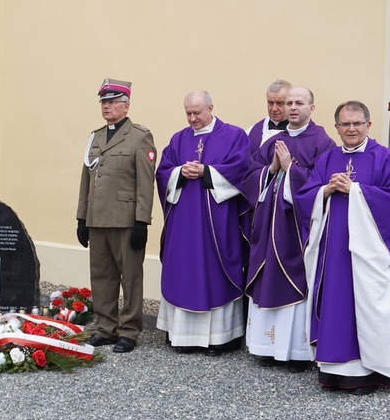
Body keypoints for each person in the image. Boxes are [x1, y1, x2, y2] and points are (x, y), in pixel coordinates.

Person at [296, 100, 390, 395]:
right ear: (336, 127)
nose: (351, 129)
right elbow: (304, 195)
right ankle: (334, 372)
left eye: (357, 123)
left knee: (367, 306)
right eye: (345, 124)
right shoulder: (327, 159)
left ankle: (365, 374)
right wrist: (326, 189)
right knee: (335, 304)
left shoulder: (387, 159)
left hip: (368, 255)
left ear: (368, 125)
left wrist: (356, 190)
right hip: (334, 252)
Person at [243, 86, 335, 371]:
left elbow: (322, 186)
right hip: (269, 227)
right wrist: (271, 169)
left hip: (296, 229)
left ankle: (295, 351)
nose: (292, 108)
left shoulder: (323, 143)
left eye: (299, 103)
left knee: (296, 282)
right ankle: (266, 346)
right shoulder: (275, 140)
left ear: (311, 107)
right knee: (267, 277)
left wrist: (291, 168)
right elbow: (249, 176)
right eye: (289, 103)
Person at [156, 90, 250, 356]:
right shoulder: (178, 139)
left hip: (217, 224)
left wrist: (207, 171)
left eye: (197, 112)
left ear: (211, 107)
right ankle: (183, 337)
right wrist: (179, 173)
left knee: (215, 272)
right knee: (184, 270)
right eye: (188, 113)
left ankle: (219, 339)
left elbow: (241, 169)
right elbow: (163, 172)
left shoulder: (234, 135)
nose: (192, 118)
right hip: (183, 223)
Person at [76, 78, 157, 354]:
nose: (106, 107)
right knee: (102, 276)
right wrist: (81, 218)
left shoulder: (139, 136)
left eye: (111, 102)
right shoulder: (96, 137)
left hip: (125, 220)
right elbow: (86, 180)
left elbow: (146, 182)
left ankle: (129, 330)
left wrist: (141, 221)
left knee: (130, 277)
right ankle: (105, 327)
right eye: (103, 102)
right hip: (97, 219)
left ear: (126, 105)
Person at [246, 79, 292, 155]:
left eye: (280, 103)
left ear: (290, 103)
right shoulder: (251, 132)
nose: (274, 109)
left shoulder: (300, 132)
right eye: (270, 103)